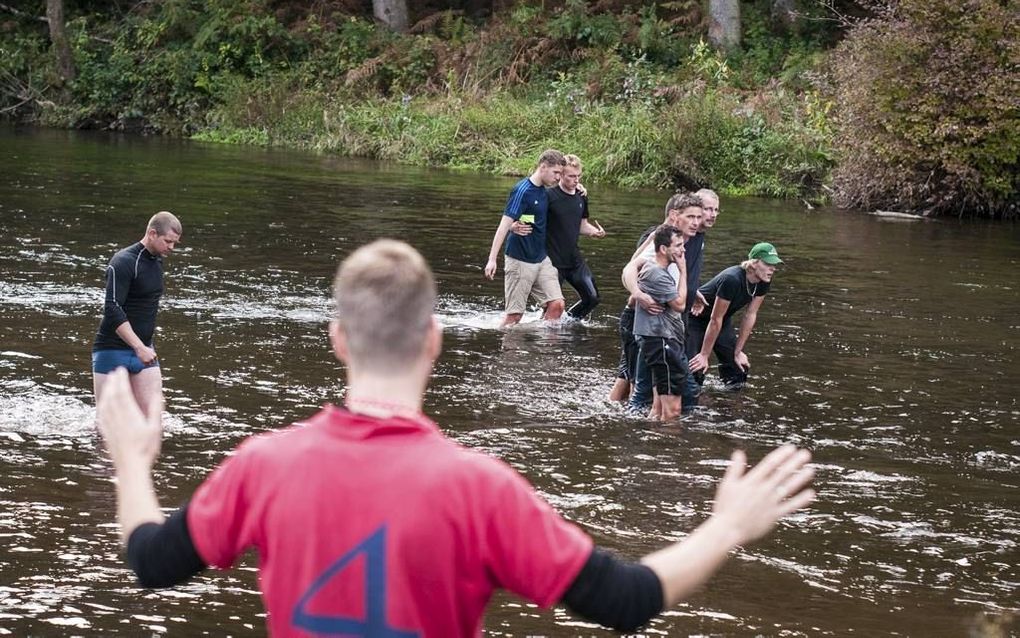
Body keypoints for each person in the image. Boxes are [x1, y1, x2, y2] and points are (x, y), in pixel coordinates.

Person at [97, 239, 815, 636]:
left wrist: (132, 459)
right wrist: (726, 526)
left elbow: (151, 561)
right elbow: (628, 600)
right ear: (434, 340)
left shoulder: (263, 465)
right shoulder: (481, 489)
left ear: (339, 341)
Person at [620, 194, 704, 415]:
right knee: (644, 388)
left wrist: (695, 291)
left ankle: (642, 431)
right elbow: (629, 268)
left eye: (699, 216)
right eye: (691, 217)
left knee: (649, 391)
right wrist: (638, 294)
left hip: (661, 327)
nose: (697, 222)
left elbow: (676, 282)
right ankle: (641, 436)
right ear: (675, 217)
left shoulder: (685, 243)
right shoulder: (664, 243)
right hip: (650, 324)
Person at [92, 211, 182, 418]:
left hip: (145, 352)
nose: (171, 247)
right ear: (152, 233)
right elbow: (112, 309)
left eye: (175, 243)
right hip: (112, 351)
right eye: (168, 241)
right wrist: (138, 347)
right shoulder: (123, 261)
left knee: (153, 419)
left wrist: (144, 347)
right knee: (109, 425)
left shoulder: (157, 260)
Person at [484, 149, 567, 327]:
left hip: (541, 258)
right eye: (556, 173)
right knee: (514, 317)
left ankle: (542, 350)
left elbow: (533, 215)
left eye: (560, 173)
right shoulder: (522, 190)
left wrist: (579, 188)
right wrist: (492, 259)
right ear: (543, 167)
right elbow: (504, 225)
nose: (558, 178)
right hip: (519, 259)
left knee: (557, 305)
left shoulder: (546, 191)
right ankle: (508, 352)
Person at [688, 242, 783, 389]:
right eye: (768, 264)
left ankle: (730, 406)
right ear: (754, 263)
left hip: (722, 321)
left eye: (774, 265)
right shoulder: (731, 279)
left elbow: (750, 315)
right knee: (695, 369)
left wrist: (737, 352)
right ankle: (695, 405)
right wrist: (704, 355)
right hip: (695, 320)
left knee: (738, 369)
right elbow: (714, 319)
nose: (773, 269)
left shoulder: (763, 281)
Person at [631, 225, 689, 420]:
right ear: (664, 249)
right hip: (663, 342)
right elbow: (680, 304)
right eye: (678, 246)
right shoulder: (656, 273)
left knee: (657, 410)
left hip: (660, 341)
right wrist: (683, 270)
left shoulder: (653, 269)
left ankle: (652, 446)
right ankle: (668, 448)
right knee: (672, 412)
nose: (683, 250)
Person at [546, 154, 606, 320]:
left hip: (574, 260)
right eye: (571, 176)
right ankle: (545, 332)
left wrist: (594, 232)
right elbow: (533, 220)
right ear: (561, 175)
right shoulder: (549, 196)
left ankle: (569, 322)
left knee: (592, 298)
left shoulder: (581, 195)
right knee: (552, 307)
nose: (576, 180)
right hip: (552, 262)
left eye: (579, 176)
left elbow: (582, 225)